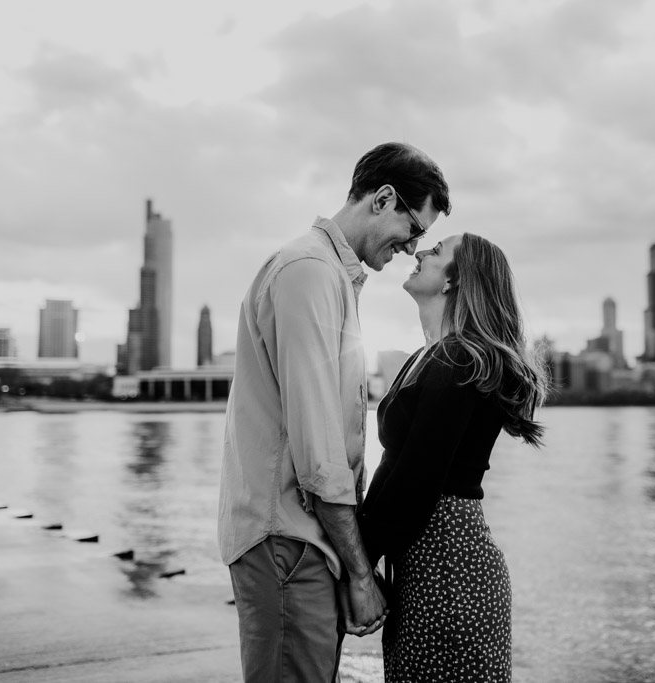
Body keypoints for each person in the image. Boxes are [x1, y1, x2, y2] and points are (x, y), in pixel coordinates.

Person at [218, 142, 451, 682]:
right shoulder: (310, 273)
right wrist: (361, 574)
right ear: (384, 198)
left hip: (296, 542)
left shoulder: (328, 277)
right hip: (290, 543)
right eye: (414, 229)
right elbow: (321, 456)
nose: (414, 248)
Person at [357, 232, 548, 682]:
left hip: (450, 573)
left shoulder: (461, 360)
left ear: (453, 281)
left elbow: (416, 482)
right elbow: (395, 464)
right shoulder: (426, 357)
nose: (420, 251)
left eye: (437, 251)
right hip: (424, 566)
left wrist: (355, 567)